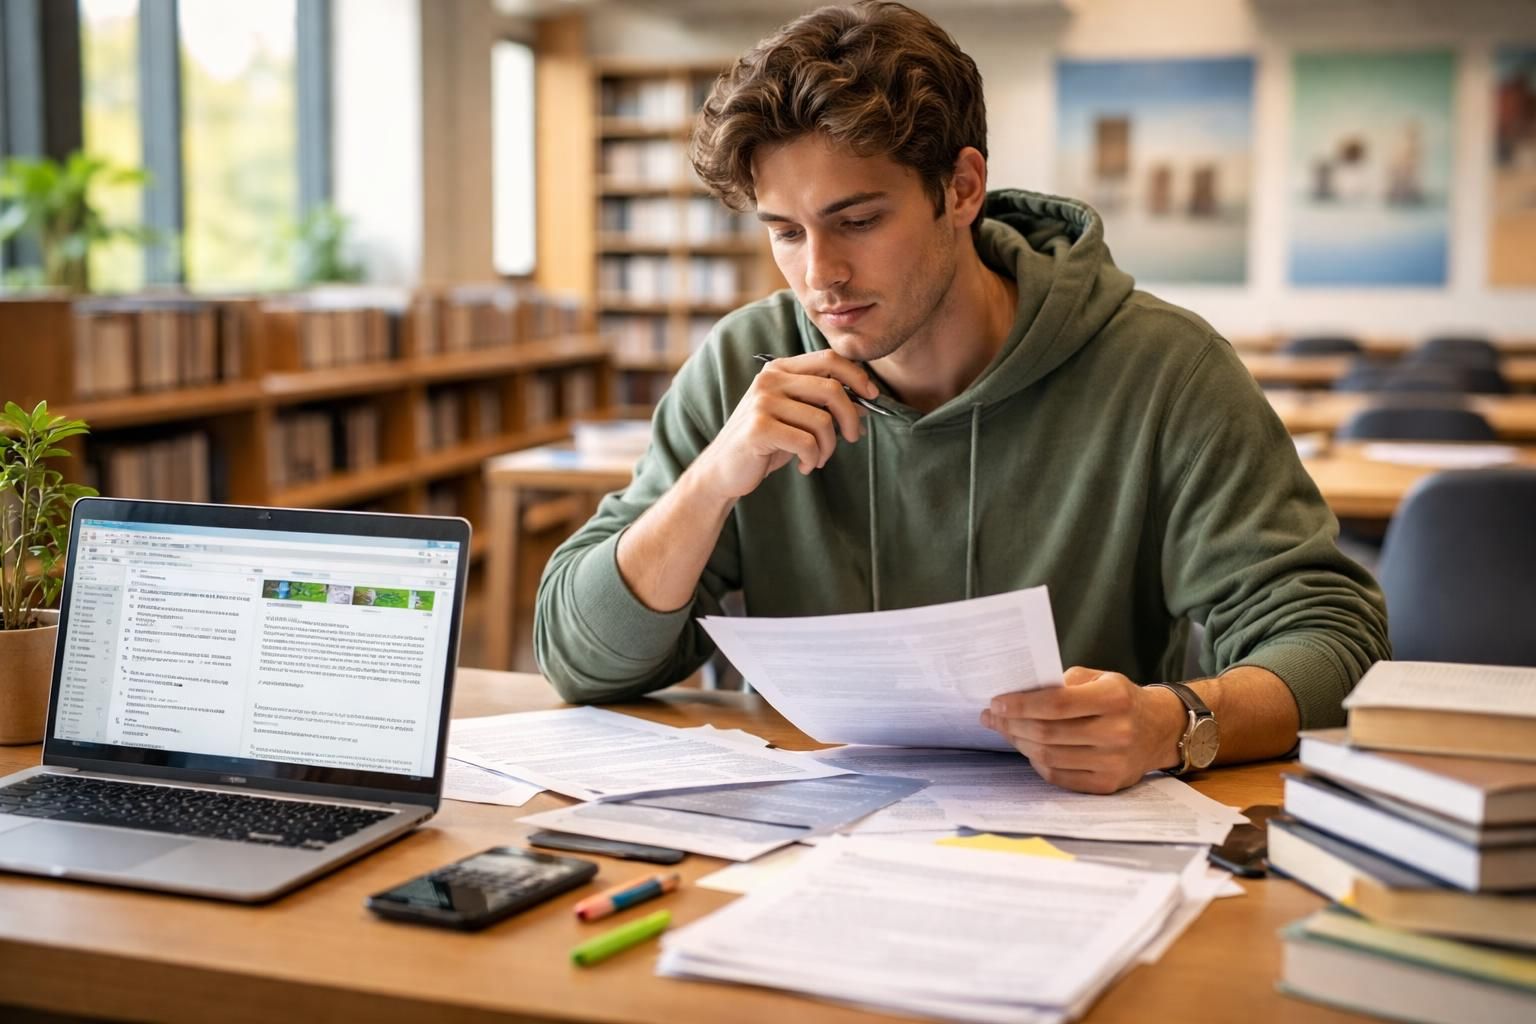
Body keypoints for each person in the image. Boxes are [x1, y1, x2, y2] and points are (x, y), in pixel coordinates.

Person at [535, 1, 1389, 794]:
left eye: (859, 221)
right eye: (785, 233)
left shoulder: (1165, 368)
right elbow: (579, 658)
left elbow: (1335, 641)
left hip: (1083, 850)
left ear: (963, 189)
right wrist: (711, 482)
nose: (819, 275)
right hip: (808, 845)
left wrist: (1177, 722)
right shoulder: (742, 370)